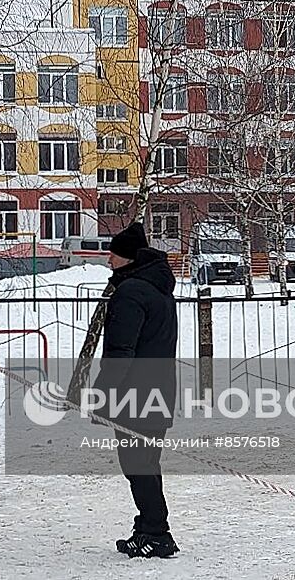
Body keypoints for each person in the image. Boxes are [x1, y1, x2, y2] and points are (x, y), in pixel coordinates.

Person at [91, 222, 180, 558]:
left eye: (113, 253)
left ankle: (157, 533)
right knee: (145, 465)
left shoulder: (130, 293)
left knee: (138, 466)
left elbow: (120, 351)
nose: (109, 259)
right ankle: (148, 528)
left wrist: (104, 395)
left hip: (135, 396)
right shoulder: (157, 288)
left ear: (128, 257)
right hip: (157, 391)